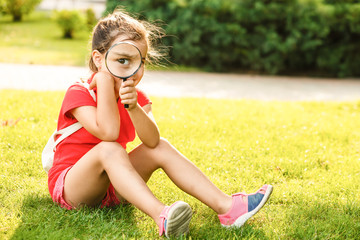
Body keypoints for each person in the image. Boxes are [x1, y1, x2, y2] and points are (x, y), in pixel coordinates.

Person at [47, 10, 273, 238]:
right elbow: (108, 132)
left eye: (140, 62)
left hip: (112, 190)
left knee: (161, 145)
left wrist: (134, 108)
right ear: (98, 59)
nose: (133, 72)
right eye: (122, 61)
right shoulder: (79, 92)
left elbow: (152, 141)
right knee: (110, 148)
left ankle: (228, 208)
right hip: (72, 188)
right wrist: (104, 81)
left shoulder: (138, 98)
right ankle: (161, 216)